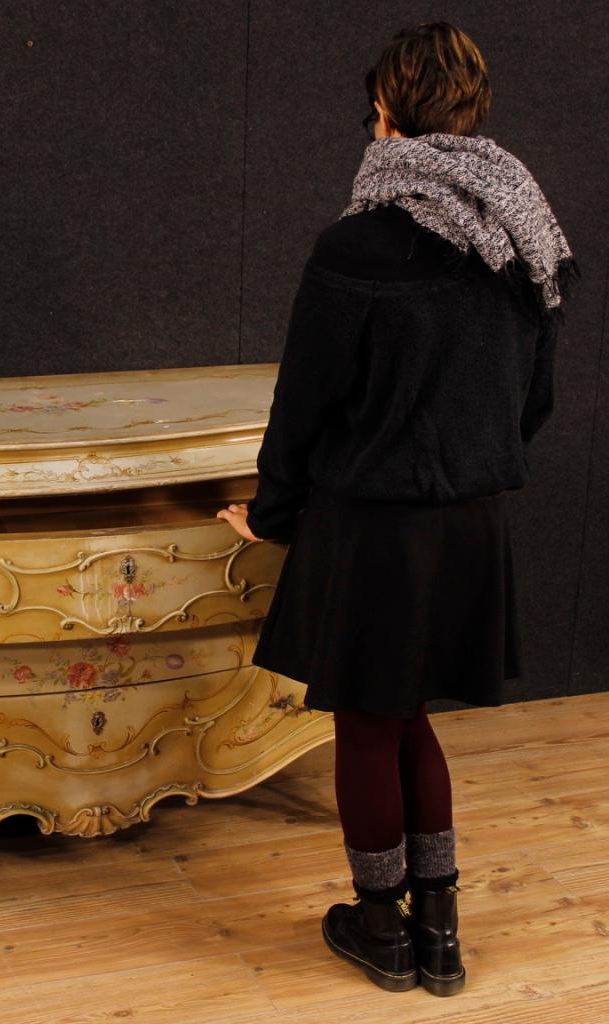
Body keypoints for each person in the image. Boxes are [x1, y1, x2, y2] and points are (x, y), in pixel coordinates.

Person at [217, 22, 576, 997]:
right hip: (467, 519)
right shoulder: (522, 232)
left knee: (367, 726)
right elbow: (532, 399)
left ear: (392, 112)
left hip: (372, 521)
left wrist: (274, 512)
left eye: (374, 105)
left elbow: (305, 404)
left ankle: (382, 931)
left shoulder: (360, 241)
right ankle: (441, 934)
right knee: (407, 715)